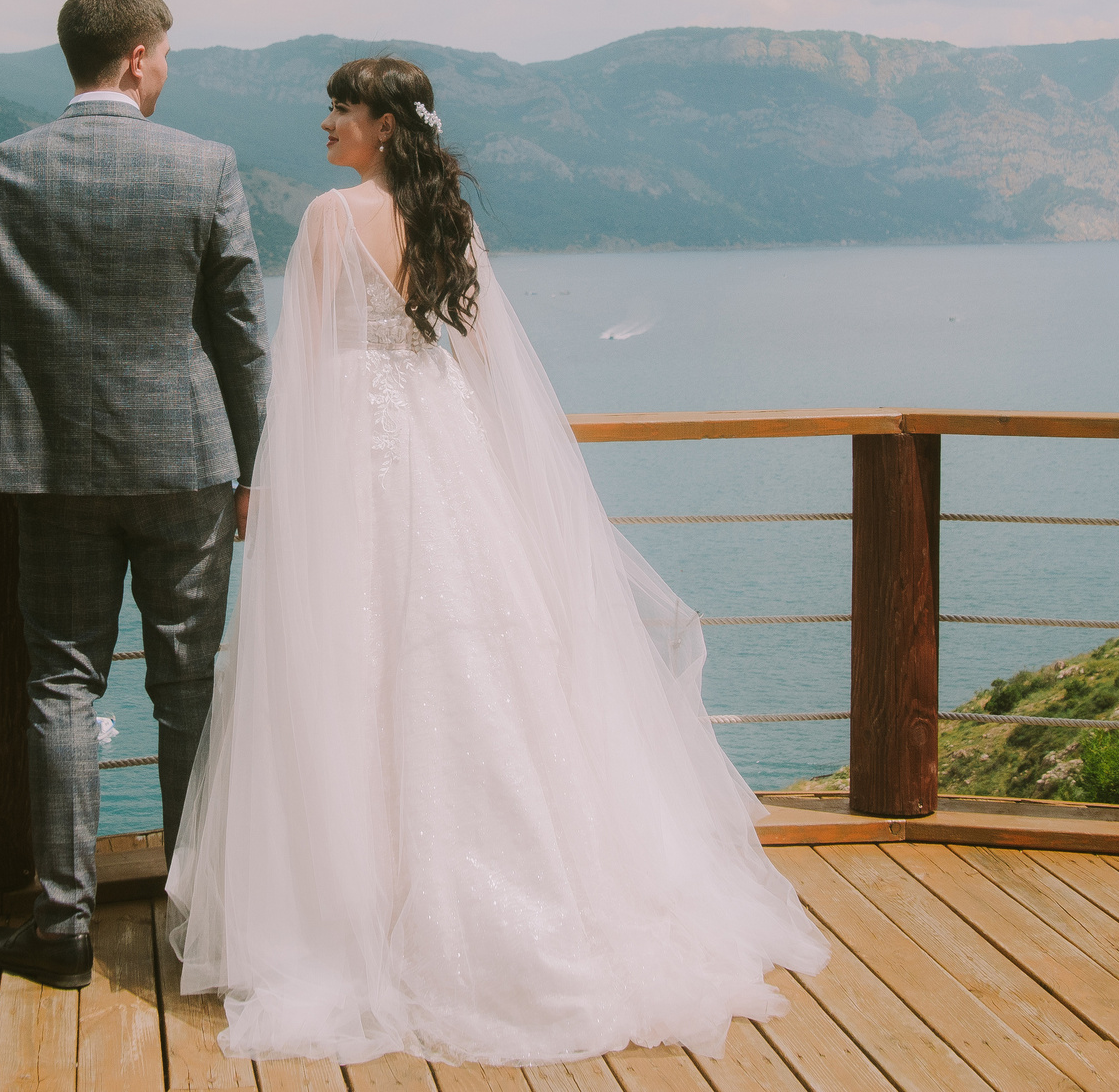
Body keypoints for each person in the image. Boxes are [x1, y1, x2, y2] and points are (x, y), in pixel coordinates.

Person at [166, 56, 828, 1064]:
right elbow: (477, 354)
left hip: (349, 450)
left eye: (338, 110)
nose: (324, 125)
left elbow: (292, 365)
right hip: (447, 442)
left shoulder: (327, 220)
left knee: (352, 659)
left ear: (382, 124)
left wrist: (274, 481)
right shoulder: (449, 221)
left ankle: (361, 900)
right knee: (473, 657)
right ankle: (522, 885)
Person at [0, 0, 270, 991]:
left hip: (51, 470)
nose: (167, 67)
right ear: (134, 58)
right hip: (188, 466)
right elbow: (239, 338)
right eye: (164, 52)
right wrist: (255, 465)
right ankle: (199, 911)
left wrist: (0, 419)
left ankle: (61, 926)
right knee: (186, 685)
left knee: (62, 684)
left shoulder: (0, 167)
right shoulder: (205, 166)